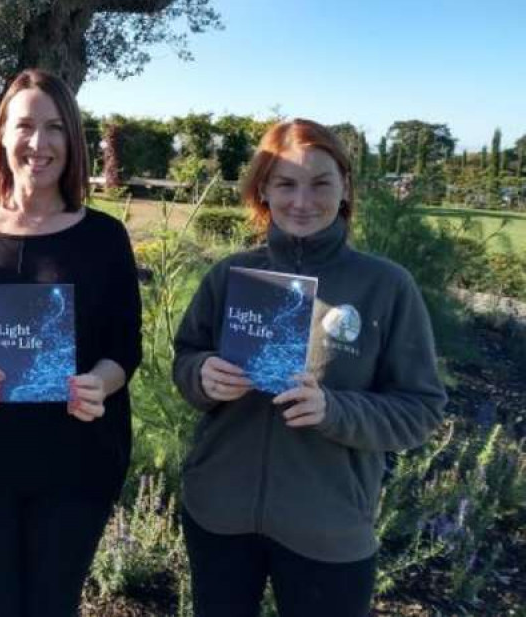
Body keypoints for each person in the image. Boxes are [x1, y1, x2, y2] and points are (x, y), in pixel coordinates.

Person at [172, 118, 447, 617]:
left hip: (329, 530)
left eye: (320, 183)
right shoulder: (228, 275)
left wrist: (333, 410)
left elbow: (421, 409)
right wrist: (202, 375)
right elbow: (187, 359)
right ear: (263, 190)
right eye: (286, 183)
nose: (302, 201)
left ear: (344, 186)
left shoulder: (385, 287)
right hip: (218, 515)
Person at [0, 68, 142, 617]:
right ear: (1, 137)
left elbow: (125, 347)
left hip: (76, 460)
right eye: (25, 126)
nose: (38, 144)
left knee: (52, 605)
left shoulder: (104, 238)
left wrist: (99, 383)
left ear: (73, 141)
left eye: (55, 128)